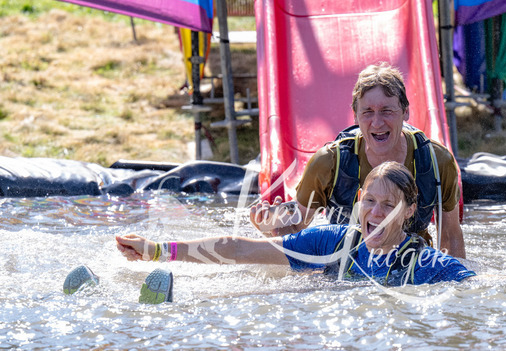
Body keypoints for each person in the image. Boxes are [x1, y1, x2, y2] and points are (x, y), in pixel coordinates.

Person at [115, 162, 474, 303]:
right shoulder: (334, 240)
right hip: (326, 299)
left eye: (389, 205)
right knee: (264, 291)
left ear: (409, 211)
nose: (376, 213)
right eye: (370, 201)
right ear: (359, 200)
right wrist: (157, 249)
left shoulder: (427, 264)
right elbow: (238, 248)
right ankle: (173, 300)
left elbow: (480, 288)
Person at [250, 62, 466, 258]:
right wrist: (270, 227)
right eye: (368, 112)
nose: (377, 123)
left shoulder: (436, 162)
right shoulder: (329, 163)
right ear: (355, 115)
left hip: (411, 263)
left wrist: (458, 283)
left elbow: (450, 235)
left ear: (406, 112)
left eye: (387, 111)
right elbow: (296, 232)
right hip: (346, 266)